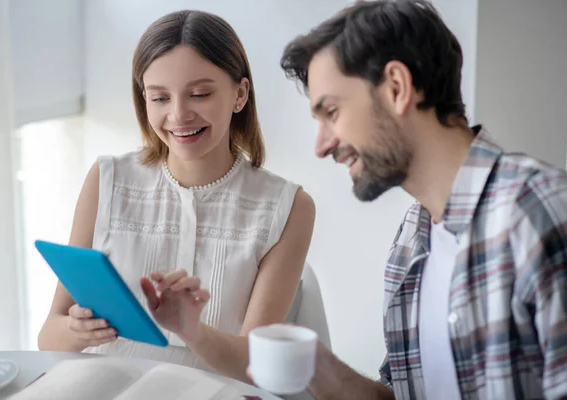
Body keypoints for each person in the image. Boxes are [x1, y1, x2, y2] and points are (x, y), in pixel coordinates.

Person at [141, 0, 567, 398]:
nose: (322, 146)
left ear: (397, 88)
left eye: (332, 112)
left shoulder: (537, 214)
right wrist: (319, 368)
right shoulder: (412, 245)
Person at [37, 10, 315, 370]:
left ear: (240, 95)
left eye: (199, 94)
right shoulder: (107, 179)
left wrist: (192, 330)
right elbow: (48, 338)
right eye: (160, 98)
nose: (179, 115)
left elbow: (257, 368)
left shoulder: (288, 207)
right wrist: (80, 331)